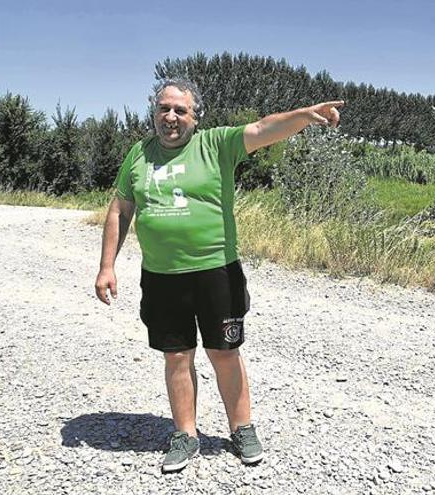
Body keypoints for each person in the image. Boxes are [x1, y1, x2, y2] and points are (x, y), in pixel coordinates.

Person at [94, 78, 343, 473]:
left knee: (224, 353)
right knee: (176, 355)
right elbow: (120, 209)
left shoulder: (216, 144)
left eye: (180, 110)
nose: (170, 116)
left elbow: (264, 128)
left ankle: (242, 428)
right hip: (162, 274)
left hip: (216, 270)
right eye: (164, 108)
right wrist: (107, 265)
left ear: (195, 117)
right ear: (154, 112)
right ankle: (185, 434)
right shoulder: (138, 155)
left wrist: (303, 117)